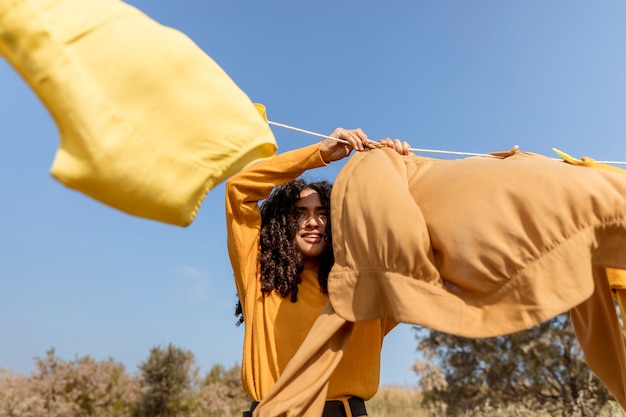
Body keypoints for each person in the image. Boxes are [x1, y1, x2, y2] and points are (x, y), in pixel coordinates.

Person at [226, 129, 408, 417]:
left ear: (337, 222)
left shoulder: (363, 290)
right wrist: (319, 153)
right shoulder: (257, 275)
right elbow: (239, 190)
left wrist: (402, 175)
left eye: (323, 213)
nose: (313, 222)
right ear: (282, 223)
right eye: (300, 213)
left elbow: (420, 250)